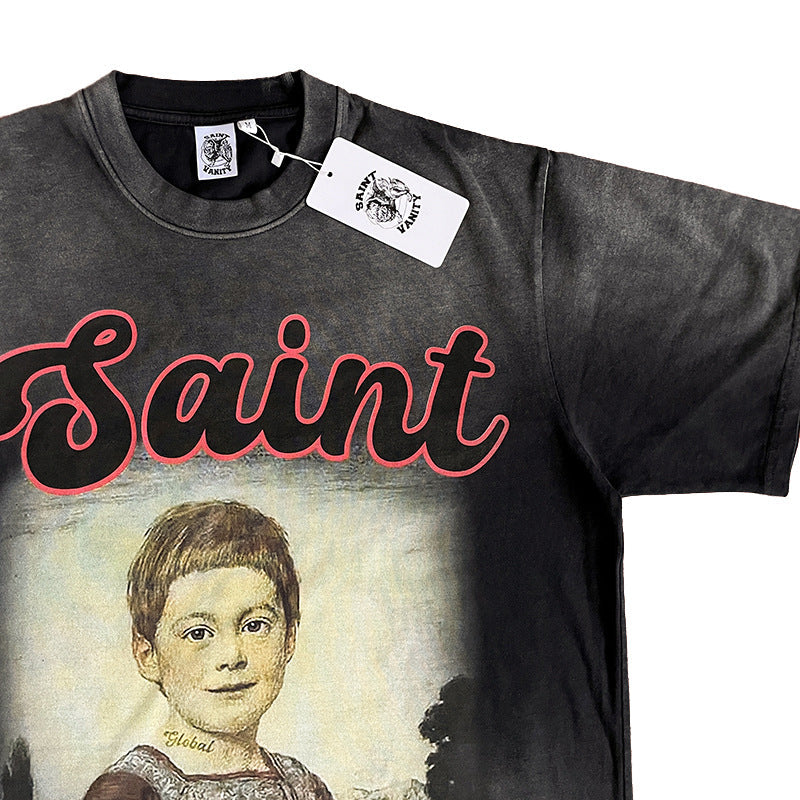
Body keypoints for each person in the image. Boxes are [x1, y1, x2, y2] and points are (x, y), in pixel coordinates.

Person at [83, 500, 333, 800]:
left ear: (289, 637)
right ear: (147, 654)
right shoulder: (129, 790)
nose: (232, 657)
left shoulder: (303, 787)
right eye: (198, 633)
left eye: (255, 626)